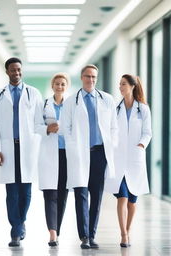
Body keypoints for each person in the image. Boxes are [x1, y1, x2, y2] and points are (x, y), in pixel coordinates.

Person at [61, 64, 118, 249]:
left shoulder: (107, 99)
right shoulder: (71, 101)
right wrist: (73, 147)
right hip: (79, 154)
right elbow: (65, 128)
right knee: (81, 195)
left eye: (94, 77)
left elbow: (113, 126)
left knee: (97, 196)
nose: (91, 80)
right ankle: (84, 236)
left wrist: (112, 143)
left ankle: (92, 234)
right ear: (81, 77)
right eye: (88, 76)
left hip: (100, 153)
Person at [0, 57, 42, 247]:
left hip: (27, 147)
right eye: (13, 70)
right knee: (11, 192)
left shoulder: (33, 93)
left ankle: (19, 224)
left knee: (26, 192)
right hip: (7, 148)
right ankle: (16, 230)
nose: (17, 73)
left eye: (19, 70)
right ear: (7, 72)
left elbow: (38, 122)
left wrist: (39, 143)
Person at [104, 74, 152, 247]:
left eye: (123, 84)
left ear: (132, 86)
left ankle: (128, 230)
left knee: (132, 200)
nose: (120, 87)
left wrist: (141, 145)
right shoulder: (115, 109)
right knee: (122, 197)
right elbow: (111, 130)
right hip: (118, 160)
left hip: (135, 159)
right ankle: (123, 234)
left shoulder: (143, 109)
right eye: (119, 84)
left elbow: (148, 132)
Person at [36, 73, 70, 246]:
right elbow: (35, 126)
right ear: (52, 85)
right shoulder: (43, 105)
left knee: (62, 194)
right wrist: (47, 129)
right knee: (50, 194)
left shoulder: (72, 105)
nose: (59, 86)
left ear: (66, 86)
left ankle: (57, 229)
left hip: (66, 154)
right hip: (49, 153)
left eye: (63, 84)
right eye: (57, 83)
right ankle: (52, 233)